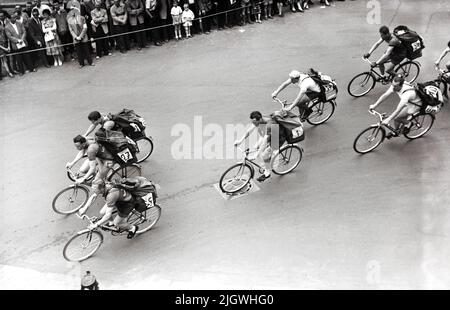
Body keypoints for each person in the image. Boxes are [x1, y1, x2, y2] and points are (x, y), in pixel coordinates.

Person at [369, 75, 422, 139]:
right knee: (396, 118)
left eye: (395, 86)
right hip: (409, 102)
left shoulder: (407, 94)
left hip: (415, 104)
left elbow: (398, 109)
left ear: (401, 86)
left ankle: (409, 123)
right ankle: (396, 131)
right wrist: (375, 105)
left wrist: (388, 120)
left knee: (397, 118)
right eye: (392, 85)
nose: (393, 87)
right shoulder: (395, 86)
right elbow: (385, 95)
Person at [234, 111, 277, 182]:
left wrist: (256, 155)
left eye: (254, 122)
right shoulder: (258, 120)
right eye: (252, 122)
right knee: (256, 147)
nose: (253, 124)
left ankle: (267, 171)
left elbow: (265, 141)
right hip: (266, 134)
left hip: (277, 136)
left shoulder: (269, 124)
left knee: (264, 154)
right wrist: (240, 141)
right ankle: (266, 159)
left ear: (259, 119)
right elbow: (249, 131)